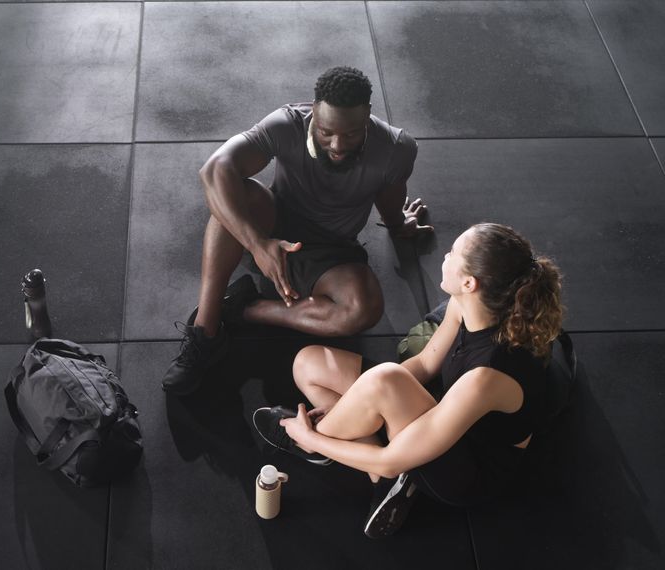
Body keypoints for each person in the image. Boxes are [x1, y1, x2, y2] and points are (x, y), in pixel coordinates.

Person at [253, 223, 565, 538]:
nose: (445, 256)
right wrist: (359, 400)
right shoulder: (466, 304)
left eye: (452, 253)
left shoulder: (488, 376)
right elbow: (426, 363)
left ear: (469, 283)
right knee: (308, 364)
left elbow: (387, 461)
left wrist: (312, 438)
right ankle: (379, 472)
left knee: (384, 383)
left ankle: (307, 443)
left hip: (468, 467)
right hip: (444, 406)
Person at [162, 66, 432, 395]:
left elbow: (389, 197)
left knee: (363, 309)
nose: (337, 145)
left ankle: (244, 309)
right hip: (273, 223)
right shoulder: (287, 124)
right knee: (232, 192)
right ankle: (206, 329)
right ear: (314, 110)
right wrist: (258, 245)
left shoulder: (395, 149)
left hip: (332, 250)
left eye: (351, 134)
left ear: (367, 116)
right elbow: (214, 169)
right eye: (326, 132)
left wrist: (398, 224)